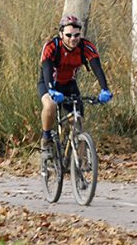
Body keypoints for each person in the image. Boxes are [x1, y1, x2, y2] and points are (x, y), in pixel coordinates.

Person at [39, 14, 112, 161]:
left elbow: (97, 68)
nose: (73, 39)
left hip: (69, 85)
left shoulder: (86, 46)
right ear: (61, 34)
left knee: (77, 123)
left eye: (77, 35)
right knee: (50, 105)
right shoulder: (52, 46)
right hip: (49, 83)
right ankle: (46, 139)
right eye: (68, 35)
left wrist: (105, 89)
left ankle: (79, 167)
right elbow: (46, 69)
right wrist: (51, 90)